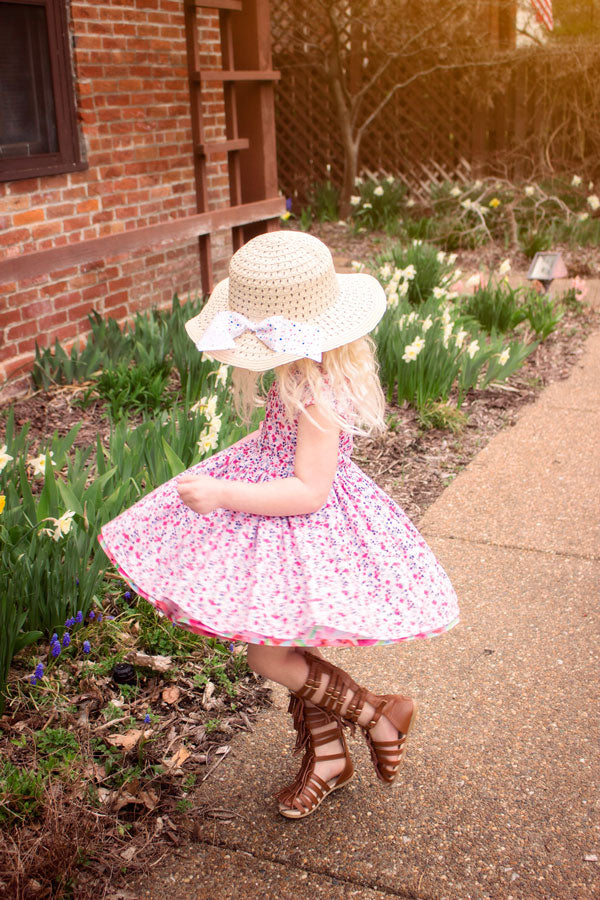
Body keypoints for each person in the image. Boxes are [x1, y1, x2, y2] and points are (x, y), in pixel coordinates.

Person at [99, 230, 459, 819]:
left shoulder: (315, 392)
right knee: (285, 643)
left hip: (304, 525)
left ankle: (378, 713)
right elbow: (283, 450)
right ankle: (327, 759)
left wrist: (221, 492)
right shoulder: (302, 372)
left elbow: (309, 490)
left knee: (266, 657)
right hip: (280, 519)